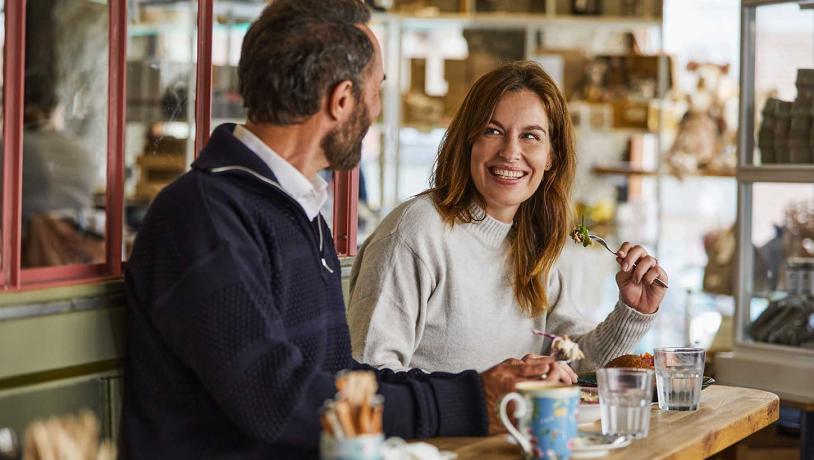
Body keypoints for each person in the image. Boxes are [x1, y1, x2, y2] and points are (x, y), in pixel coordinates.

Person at [121, 3, 572, 459]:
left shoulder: (299, 213)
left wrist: (482, 387)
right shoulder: (202, 215)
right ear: (341, 101)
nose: (376, 109)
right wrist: (470, 401)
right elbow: (278, 401)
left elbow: (339, 380)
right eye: (376, 92)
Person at [348, 61, 668, 374]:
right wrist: (482, 394)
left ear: (551, 157)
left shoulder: (531, 242)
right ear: (467, 142)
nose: (510, 152)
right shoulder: (416, 232)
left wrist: (633, 311)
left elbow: (573, 362)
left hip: (514, 428)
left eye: (530, 136)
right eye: (492, 131)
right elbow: (370, 379)